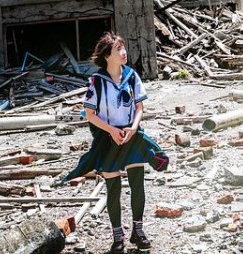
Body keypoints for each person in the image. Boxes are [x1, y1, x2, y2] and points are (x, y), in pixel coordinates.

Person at [60, 33, 165, 253]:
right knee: (113, 189)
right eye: (118, 49)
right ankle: (118, 236)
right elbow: (89, 114)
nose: (124, 52)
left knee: (138, 185)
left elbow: (139, 107)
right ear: (108, 55)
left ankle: (138, 231)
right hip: (108, 140)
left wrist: (134, 128)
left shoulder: (132, 76)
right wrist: (112, 130)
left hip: (131, 136)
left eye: (123, 48)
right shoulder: (96, 81)